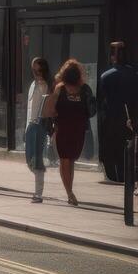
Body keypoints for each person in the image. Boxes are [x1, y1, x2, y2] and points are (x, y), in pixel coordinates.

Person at [49, 59, 95, 206]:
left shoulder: (61, 89)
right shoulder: (83, 89)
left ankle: (69, 191)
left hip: (66, 128)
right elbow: (91, 110)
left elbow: (52, 109)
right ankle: (70, 193)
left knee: (68, 160)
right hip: (74, 129)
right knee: (66, 160)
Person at [97, 42, 138, 183]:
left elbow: (101, 99)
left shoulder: (106, 76)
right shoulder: (134, 74)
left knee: (110, 147)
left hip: (110, 117)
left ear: (112, 56)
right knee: (125, 148)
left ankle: (112, 175)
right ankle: (124, 174)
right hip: (128, 117)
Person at [24, 56, 53, 203]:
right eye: (34, 70)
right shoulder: (32, 85)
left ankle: (38, 193)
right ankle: (38, 189)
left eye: (39, 70)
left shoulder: (45, 86)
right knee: (29, 159)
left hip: (39, 125)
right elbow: (29, 109)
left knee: (37, 161)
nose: (37, 73)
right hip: (30, 126)